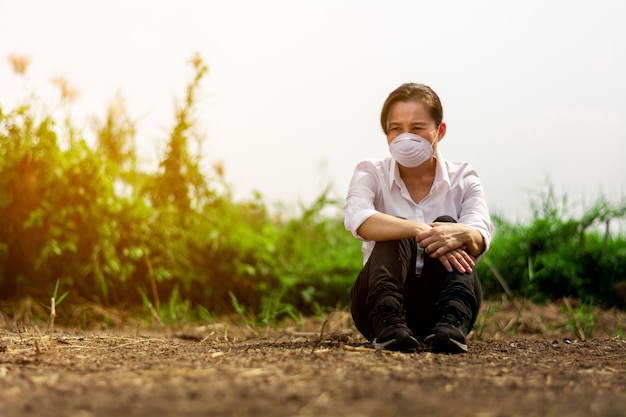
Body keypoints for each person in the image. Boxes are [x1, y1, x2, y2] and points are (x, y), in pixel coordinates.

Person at [344, 83, 494, 353]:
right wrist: (419, 230)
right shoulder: (370, 172)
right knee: (394, 228)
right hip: (376, 306)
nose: (405, 137)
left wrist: (461, 233)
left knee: (450, 224)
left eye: (417, 128)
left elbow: (480, 232)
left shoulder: (464, 177)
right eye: (395, 128)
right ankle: (389, 324)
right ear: (386, 133)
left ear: (440, 131)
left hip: (444, 306)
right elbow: (359, 218)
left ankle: (451, 323)